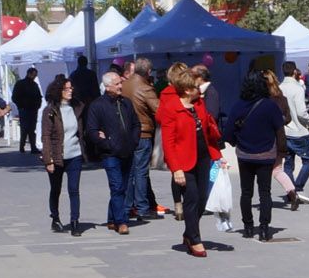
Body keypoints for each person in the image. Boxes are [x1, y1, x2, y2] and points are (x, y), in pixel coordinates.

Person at [158, 62, 223, 257]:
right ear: (187, 90)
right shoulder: (171, 107)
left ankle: (188, 232)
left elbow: (207, 130)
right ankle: (195, 238)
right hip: (184, 160)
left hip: (203, 157)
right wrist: (176, 169)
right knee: (192, 197)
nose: (200, 90)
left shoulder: (199, 104)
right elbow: (168, 143)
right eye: (196, 87)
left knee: (202, 199)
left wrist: (217, 155)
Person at [224, 69, 289, 241]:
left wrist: (235, 141)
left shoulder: (238, 105)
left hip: (244, 154)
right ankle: (264, 227)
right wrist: (282, 151)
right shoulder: (270, 106)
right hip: (266, 154)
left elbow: (228, 131)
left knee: (246, 192)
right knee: (265, 192)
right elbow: (280, 131)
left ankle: (247, 226)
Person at [82, 71, 140, 234]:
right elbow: (91, 131)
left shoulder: (126, 103)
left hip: (127, 151)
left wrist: (134, 140)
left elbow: (136, 124)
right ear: (108, 87)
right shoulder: (97, 105)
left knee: (122, 187)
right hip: (109, 154)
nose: (121, 86)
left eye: (120, 83)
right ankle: (121, 221)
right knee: (116, 186)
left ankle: (111, 218)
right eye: (117, 84)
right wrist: (106, 143)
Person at [39, 74, 84, 233]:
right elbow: (45, 136)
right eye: (66, 89)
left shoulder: (77, 107)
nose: (70, 91)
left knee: (74, 189)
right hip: (56, 155)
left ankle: (75, 222)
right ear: (59, 91)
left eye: (71, 88)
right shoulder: (50, 111)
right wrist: (48, 160)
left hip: (74, 154)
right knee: (56, 189)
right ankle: (55, 217)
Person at [124, 58, 166, 221]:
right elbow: (159, 110)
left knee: (130, 172)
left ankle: (128, 206)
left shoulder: (126, 84)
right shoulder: (145, 88)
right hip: (143, 132)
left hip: (128, 133)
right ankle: (142, 207)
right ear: (148, 72)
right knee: (141, 172)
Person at [278, 61, 309, 209]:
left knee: (288, 163)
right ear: (294, 71)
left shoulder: (279, 88)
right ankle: (297, 188)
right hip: (299, 131)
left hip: (284, 131)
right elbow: (301, 112)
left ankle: (290, 190)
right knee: (308, 160)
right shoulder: (297, 88)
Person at [13, 68, 43, 154]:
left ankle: (33, 147)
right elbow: (15, 97)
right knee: (25, 128)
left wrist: (38, 105)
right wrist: (21, 106)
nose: (35, 77)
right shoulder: (20, 84)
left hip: (33, 109)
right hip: (24, 109)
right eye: (34, 75)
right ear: (29, 74)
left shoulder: (34, 85)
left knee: (32, 129)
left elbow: (38, 96)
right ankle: (22, 146)